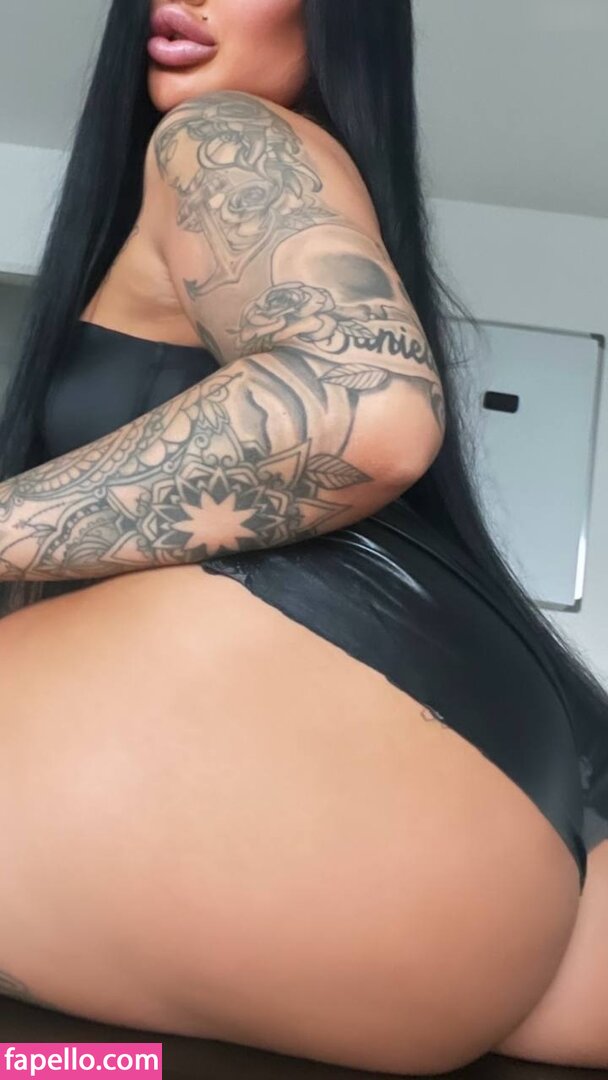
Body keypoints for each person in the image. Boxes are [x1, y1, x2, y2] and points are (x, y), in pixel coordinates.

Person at [0, 0, 606, 1073]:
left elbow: (364, 406)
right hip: (489, 827)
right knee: (68, 1060)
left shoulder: (219, 135)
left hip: (361, 766)